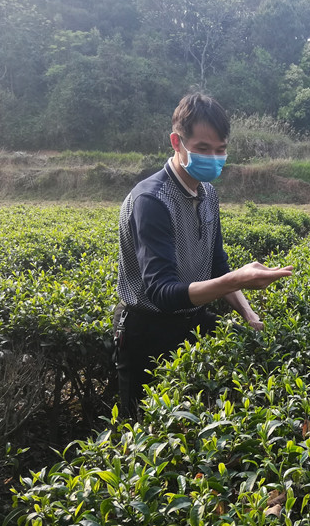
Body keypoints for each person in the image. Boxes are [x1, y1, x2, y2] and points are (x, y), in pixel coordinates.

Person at [114, 92, 293, 419]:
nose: (214, 157)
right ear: (176, 142)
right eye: (203, 149)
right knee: (144, 430)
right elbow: (162, 293)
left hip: (192, 323)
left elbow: (216, 265)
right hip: (148, 332)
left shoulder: (207, 193)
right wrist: (237, 279)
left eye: (221, 150)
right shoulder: (152, 201)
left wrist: (249, 314)